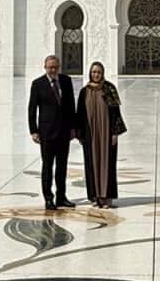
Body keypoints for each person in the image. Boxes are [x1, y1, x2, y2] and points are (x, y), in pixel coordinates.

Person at [27, 54, 77, 210]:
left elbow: (71, 106)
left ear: (59, 67)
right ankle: (48, 198)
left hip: (63, 132)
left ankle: (61, 197)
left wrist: (73, 128)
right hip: (47, 133)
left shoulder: (66, 81)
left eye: (55, 67)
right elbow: (32, 108)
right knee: (47, 167)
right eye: (50, 67)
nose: (53, 70)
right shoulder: (38, 84)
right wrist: (34, 131)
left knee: (62, 167)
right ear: (45, 67)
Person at [76, 61, 126, 208]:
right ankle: (95, 196)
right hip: (90, 134)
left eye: (98, 72)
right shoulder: (84, 91)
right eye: (93, 72)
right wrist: (79, 134)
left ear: (102, 73)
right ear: (90, 73)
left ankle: (107, 196)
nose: (96, 75)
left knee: (107, 162)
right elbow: (79, 114)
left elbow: (116, 113)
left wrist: (115, 133)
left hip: (106, 133)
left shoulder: (109, 89)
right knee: (92, 163)